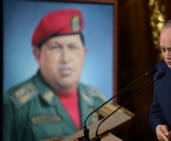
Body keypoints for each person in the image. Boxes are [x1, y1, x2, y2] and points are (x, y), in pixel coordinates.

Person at [3, 9, 107, 141]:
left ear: (84, 54)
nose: (65, 58)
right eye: (55, 48)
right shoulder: (14, 105)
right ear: (37, 55)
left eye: (73, 47)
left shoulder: (100, 102)